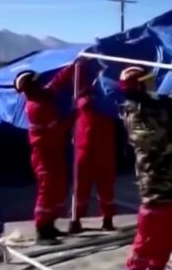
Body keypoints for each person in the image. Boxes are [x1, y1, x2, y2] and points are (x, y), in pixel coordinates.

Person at [117, 66, 172, 270]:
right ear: (138, 86)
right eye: (147, 80)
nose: (152, 83)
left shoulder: (156, 102)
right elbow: (155, 142)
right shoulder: (134, 112)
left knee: (168, 236)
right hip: (156, 182)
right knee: (149, 237)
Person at [14, 63, 77, 245]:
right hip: (44, 155)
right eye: (36, 82)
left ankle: (50, 226)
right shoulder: (36, 106)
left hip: (53, 151)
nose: (40, 84)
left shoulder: (41, 96)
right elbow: (56, 128)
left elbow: (56, 83)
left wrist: (73, 66)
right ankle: (42, 231)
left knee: (58, 188)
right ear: (29, 86)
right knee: (47, 191)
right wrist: (74, 115)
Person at [68, 61, 117, 233]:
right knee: (81, 185)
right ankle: (76, 219)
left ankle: (107, 219)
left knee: (106, 184)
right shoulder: (81, 96)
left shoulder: (110, 94)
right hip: (85, 146)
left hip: (104, 145)